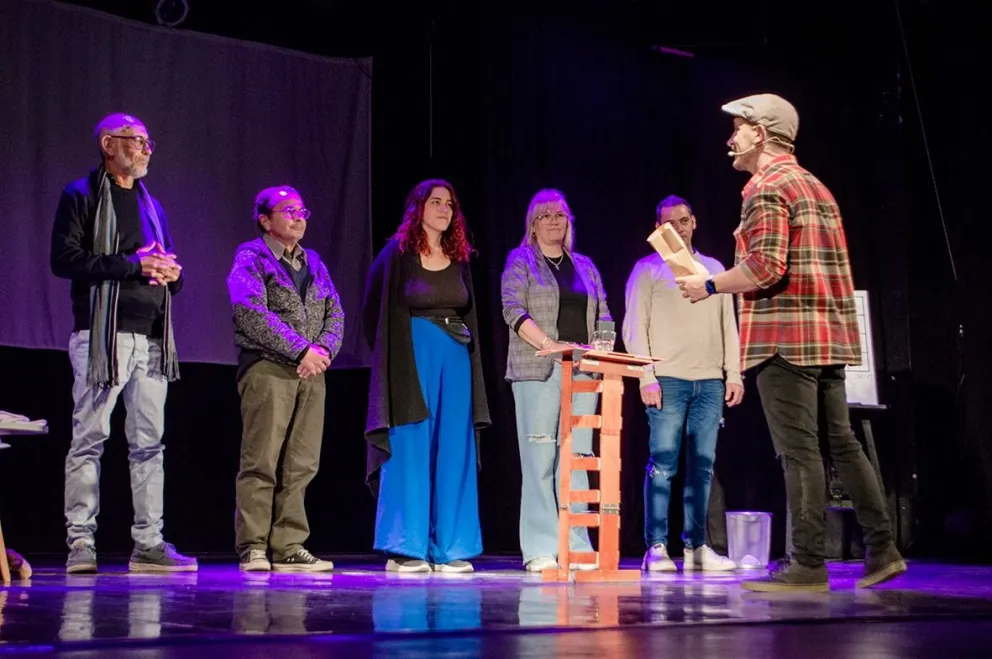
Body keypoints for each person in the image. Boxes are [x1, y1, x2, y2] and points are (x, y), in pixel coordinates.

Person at [676, 93, 907, 591]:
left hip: (784, 338)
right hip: (827, 337)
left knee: (799, 452)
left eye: (738, 128)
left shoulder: (766, 187)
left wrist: (708, 285)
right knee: (842, 444)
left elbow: (765, 267)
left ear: (760, 133)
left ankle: (806, 564)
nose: (730, 139)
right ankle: (883, 548)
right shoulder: (816, 186)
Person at [50, 112, 196, 573]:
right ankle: (81, 542)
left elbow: (162, 265)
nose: (146, 149)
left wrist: (172, 273)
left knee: (150, 445)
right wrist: (134, 265)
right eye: (137, 141)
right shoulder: (81, 194)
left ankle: (148, 544)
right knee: (89, 440)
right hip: (102, 337)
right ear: (109, 144)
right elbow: (65, 259)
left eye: (148, 142)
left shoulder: (154, 206)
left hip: (151, 337)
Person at [362, 179, 490, 573]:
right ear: (418, 208)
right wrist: (392, 357)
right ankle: (405, 547)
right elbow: (373, 311)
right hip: (411, 355)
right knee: (411, 443)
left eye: (449, 204)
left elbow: (468, 309)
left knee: (454, 448)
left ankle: (450, 546)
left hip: (456, 357)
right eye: (436, 202)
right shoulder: (397, 254)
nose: (444, 209)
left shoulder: (459, 257)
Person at [227, 185, 343, 572]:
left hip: (312, 371)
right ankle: (253, 545)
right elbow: (250, 312)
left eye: (302, 211)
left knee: (302, 463)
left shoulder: (314, 262)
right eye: (288, 211)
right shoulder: (252, 256)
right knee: (261, 460)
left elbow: (335, 313)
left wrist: (321, 351)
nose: (298, 217)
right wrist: (300, 350)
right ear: (265, 220)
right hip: (269, 368)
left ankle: (289, 544)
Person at [623, 194, 742, 572]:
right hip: (668, 380)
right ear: (659, 229)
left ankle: (696, 547)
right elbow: (634, 327)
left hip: (708, 381)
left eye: (684, 221)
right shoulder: (647, 270)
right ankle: (656, 547)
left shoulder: (714, 269)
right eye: (669, 224)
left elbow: (728, 325)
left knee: (702, 467)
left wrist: (733, 373)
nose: (678, 228)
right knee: (663, 463)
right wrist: (646, 376)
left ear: (694, 222)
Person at [501, 188, 611, 572]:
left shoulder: (585, 265)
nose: (553, 221)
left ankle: (577, 544)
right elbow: (512, 308)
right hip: (539, 370)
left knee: (578, 458)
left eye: (559, 215)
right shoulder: (521, 260)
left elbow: (604, 312)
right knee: (540, 459)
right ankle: (540, 547)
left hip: (583, 369)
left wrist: (601, 349)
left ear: (568, 222)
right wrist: (550, 345)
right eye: (545, 215)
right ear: (533, 225)